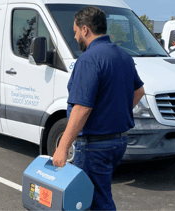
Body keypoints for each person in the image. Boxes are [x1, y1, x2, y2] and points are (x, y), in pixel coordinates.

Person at [52, 6, 145, 210]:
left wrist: (62, 147)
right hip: (117, 141)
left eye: (76, 31)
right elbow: (139, 92)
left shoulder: (88, 59)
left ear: (85, 29)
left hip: (95, 145)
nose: (75, 36)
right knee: (97, 195)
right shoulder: (123, 56)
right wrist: (114, 112)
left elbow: (82, 108)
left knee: (95, 201)